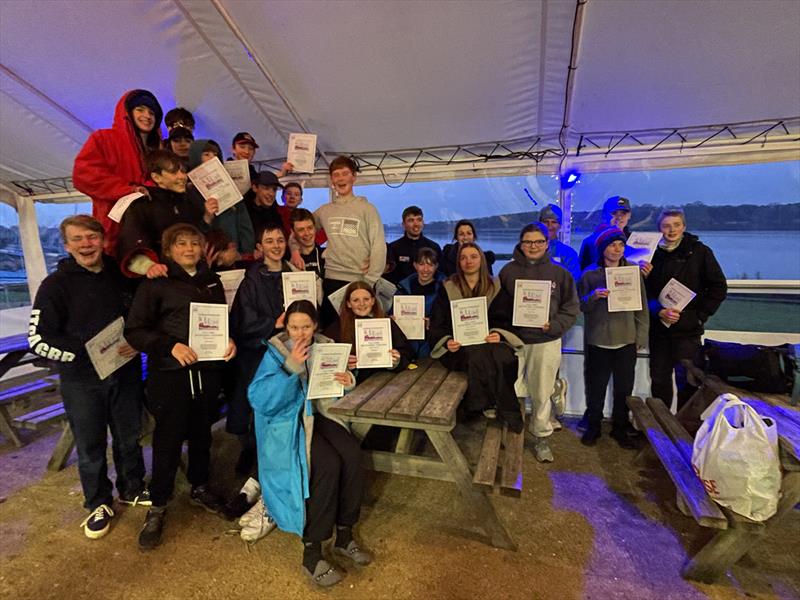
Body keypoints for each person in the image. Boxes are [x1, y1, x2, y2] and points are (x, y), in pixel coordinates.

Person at [28, 215, 148, 539]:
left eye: (91, 237)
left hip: (125, 372)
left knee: (128, 437)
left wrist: (139, 342)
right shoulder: (55, 286)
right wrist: (85, 352)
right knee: (91, 446)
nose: (86, 244)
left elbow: (142, 316)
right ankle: (97, 502)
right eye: (78, 239)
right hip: (82, 380)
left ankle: (132, 488)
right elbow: (38, 339)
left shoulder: (121, 276)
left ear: (102, 240)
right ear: (67, 245)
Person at [125, 223, 236, 550]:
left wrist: (227, 340)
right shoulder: (156, 284)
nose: (189, 249)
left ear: (202, 248)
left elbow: (219, 320)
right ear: (169, 249)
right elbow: (135, 331)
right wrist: (169, 346)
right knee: (168, 440)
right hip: (170, 375)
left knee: (203, 435)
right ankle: (158, 505)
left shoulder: (212, 281)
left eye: (194, 244)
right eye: (181, 244)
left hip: (206, 372)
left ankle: (200, 487)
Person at [247, 300, 371, 587]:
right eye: (293, 327)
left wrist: (348, 379)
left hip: (321, 415)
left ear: (315, 325)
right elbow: (259, 398)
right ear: (285, 326)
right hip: (290, 422)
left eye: (306, 326)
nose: (300, 333)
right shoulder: (276, 352)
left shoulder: (326, 346)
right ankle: (312, 550)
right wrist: (290, 369)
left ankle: (345, 534)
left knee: (351, 455)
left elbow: (334, 388)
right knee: (325, 464)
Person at [229, 223, 317, 475]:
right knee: (259, 403)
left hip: (291, 347)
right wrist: (272, 324)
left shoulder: (295, 273)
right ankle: (251, 453)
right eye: (269, 241)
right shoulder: (252, 279)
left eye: (280, 240)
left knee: (288, 400)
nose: (276, 245)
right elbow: (243, 319)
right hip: (259, 349)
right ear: (260, 247)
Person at [491, 223, 579, 461]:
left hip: (546, 341)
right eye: (528, 242)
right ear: (520, 244)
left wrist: (556, 325)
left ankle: (541, 438)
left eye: (538, 241)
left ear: (547, 243)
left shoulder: (560, 273)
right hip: (515, 341)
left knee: (541, 393)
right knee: (513, 389)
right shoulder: (507, 272)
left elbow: (571, 307)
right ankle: (513, 431)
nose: (533, 246)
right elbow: (499, 307)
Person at [429, 243, 523, 431]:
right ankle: (500, 408)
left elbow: (505, 318)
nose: (468, 261)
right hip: (460, 346)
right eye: (463, 257)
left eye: (473, 256)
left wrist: (498, 333)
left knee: (504, 357)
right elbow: (437, 322)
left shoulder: (495, 286)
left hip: (490, 342)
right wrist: (447, 341)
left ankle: (482, 404)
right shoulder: (448, 287)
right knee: (476, 355)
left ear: (481, 260)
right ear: (458, 262)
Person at [645, 208, 727, 410]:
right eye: (666, 225)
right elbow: (644, 293)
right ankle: (660, 426)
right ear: (659, 228)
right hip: (659, 329)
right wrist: (658, 310)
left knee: (688, 382)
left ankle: (684, 429)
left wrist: (699, 316)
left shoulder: (700, 251)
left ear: (684, 227)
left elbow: (718, 287)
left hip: (688, 330)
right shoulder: (650, 254)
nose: (671, 230)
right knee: (659, 380)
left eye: (676, 225)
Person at [578, 227, 649, 448]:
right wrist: (593, 296)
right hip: (598, 339)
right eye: (612, 245)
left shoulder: (633, 273)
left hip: (626, 339)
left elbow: (642, 308)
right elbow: (580, 305)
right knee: (596, 387)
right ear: (602, 248)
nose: (617, 249)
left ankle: (620, 428)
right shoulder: (589, 274)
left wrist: (641, 335)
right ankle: (594, 426)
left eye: (620, 245)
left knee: (623, 388)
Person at [73, 89, 163, 255]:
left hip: (153, 231)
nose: (147, 116)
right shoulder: (103, 139)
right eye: (140, 110)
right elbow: (84, 176)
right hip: (115, 231)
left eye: (152, 112)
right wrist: (128, 189)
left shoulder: (159, 150)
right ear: (127, 113)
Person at [116, 150, 214, 278]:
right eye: (174, 172)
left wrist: (207, 217)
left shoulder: (190, 200)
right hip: (159, 279)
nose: (182, 176)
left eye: (183, 171)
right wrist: (149, 266)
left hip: (192, 276)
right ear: (156, 177)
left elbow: (196, 234)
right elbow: (130, 242)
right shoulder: (142, 204)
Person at [313, 156, 386, 324]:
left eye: (345, 173)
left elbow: (378, 245)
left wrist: (370, 280)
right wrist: (294, 249)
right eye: (336, 174)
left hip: (360, 280)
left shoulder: (367, 209)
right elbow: (301, 229)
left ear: (354, 177)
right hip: (332, 281)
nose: (340, 178)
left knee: (361, 332)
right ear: (331, 180)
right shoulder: (324, 211)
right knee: (334, 332)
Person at [326, 281, 413, 384]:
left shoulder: (385, 321)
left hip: (387, 381)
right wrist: (344, 364)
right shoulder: (337, 328)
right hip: (356, 386)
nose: (362, 304)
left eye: (366, 299)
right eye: (356, 300)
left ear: (373, 301)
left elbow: (407, 351)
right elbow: (327, 361)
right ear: (348, 304)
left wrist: (396, 361)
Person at [187, 138, 255, 256]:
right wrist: (207, 217)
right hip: (208, 256)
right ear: (195, 156)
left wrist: (247, 251)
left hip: (234, 253)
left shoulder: (229, 185)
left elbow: (243, 221)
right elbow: (190, 232)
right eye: (206, 154)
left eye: (216, 154)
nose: (213, 158)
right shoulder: (188, 192)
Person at [393, 247, 446, 359]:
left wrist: (434, 323)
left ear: (436, 267)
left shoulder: (444, 289)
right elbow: (391, 312)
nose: (425, 269)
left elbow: (449, 319)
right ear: (415, 265)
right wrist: (392, 319)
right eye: (421, 264)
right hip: (407, 343)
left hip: (432, 345)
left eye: (430, 265)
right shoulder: (403, 288)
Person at [385, 206, 442, 285]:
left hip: (428, 293)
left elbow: (440, 275)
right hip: (400, 293)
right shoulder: (393, 248)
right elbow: (388, 277)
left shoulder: (434, 247)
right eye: (411, 220)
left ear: (423, 223)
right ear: (403, 224)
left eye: (419, 220)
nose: (416, 224)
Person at [578, 196, 632, 271]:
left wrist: (645, 272)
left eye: (623, 213)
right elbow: (582, 272)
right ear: (604, 215)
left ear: (629, 215)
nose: (619, 217)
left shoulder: (636, 240)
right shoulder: (590, 242)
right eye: (614, 213)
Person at [539, 204, 581, 282]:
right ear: (539, 224)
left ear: (560, 226)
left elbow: (574, 281)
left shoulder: (569, 253)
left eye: (554, 222)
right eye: (546, 222)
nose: (549, 225)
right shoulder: (529, 249)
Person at [290, 208, 325, 278]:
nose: (307, 233)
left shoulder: (326, 255)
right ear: (293, 232)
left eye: (310, 228)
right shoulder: (288, 259)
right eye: (301, 230)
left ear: (315, 228)